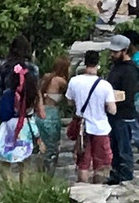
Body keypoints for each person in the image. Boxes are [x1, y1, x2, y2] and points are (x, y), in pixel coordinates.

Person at [66, 49, 116, 184]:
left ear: (85, 62)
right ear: (97, 64)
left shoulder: (74, 81)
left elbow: (70, 102)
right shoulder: (105, 85)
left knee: (83, 163)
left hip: (83, 128)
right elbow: (112, 110)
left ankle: (83, 192)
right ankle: (98, 191)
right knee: (102, 164)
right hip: (100, 128)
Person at [0, 59, 43, 174]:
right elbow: (41, 112)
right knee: (25, 159)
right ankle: (24, 186)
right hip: (27, 123)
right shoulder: (33, 93)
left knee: (6, 157)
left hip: (9, 125)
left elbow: (3, 113)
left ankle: (9, 185)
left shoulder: (8, 93)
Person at [106, 34, 139, 184]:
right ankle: (116, 174)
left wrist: (113, 100)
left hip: (123, 115)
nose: (112, 55)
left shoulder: (130, 71)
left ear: (125, 51)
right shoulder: (116, 67)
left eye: (116, 52)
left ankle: (126, 175)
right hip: (113, 114)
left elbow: (128, 95)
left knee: (124, 148)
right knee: (115, 148)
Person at [39, 55, 70, 176]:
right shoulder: (60, 81)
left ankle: (40, 173)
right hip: (52, 114)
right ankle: (49, 175)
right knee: (53, 146)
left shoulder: (47, 77)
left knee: (43, 146)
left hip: (42, 113)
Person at [0, 35, 38, 101]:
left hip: (8, 104)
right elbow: (35, 89)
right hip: (27, 106)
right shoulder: (33, 68)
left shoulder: (4, 66)